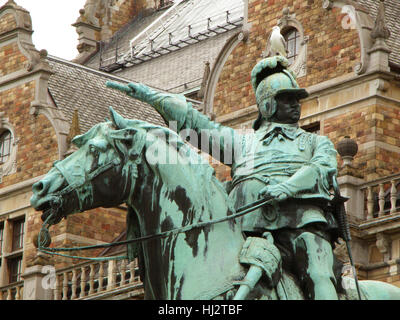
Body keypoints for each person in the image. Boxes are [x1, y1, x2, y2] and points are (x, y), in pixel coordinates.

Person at [113, 56, 343, 299]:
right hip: (246, 230)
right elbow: (195, 126)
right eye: (287, 99)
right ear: (267, 105)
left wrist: (288, 186)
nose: (296, 105)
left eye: (297, 99)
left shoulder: (315, 142)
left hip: (301, 228)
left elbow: (322, 168)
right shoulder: (243, 143)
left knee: (319, 275)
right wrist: (151, 97)